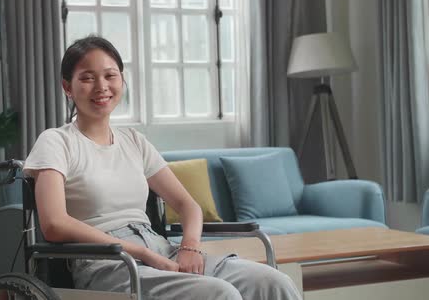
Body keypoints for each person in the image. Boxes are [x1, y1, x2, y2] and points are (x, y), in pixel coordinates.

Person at [23, 36, 301, 300]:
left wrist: (189, 247)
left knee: (274, 283)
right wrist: (140, 253)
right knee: (219, 294)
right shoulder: (56, 142)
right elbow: (54, 224)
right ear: (67, 87)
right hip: (108, 261)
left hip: (160, 248)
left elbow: (187, 205)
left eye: (110, 75)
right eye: (87, 78)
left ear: (122, 80)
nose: (101, 86)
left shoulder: (133, 141)